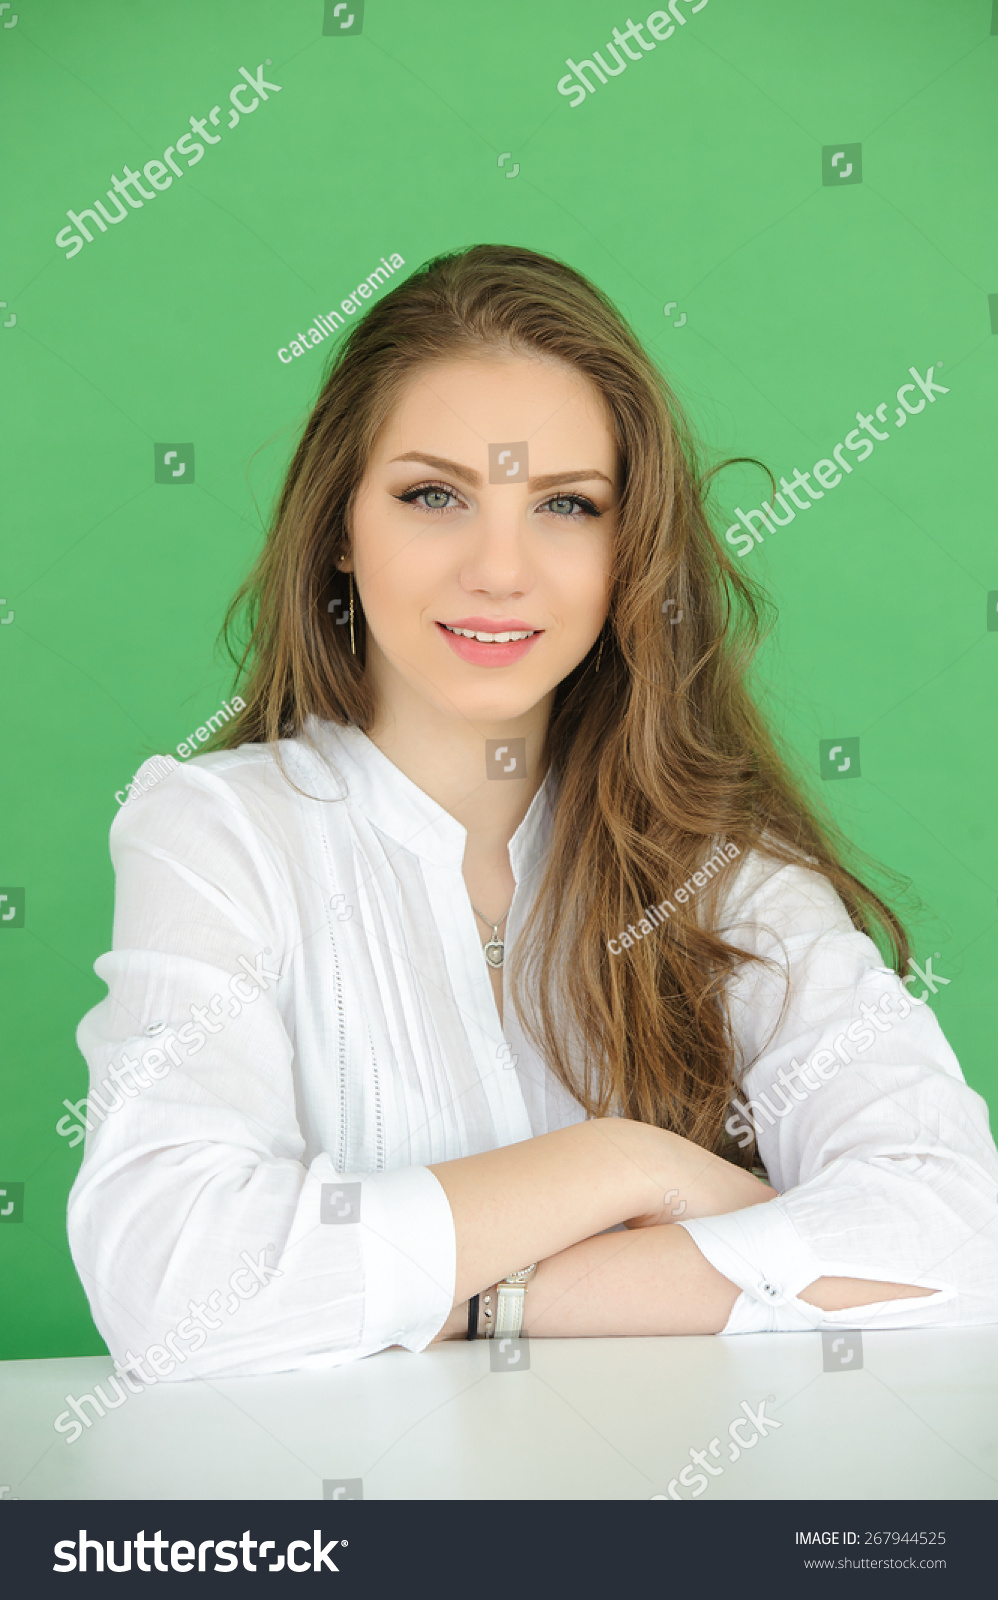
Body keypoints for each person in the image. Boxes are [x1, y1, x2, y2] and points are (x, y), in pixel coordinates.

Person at [67, 244, 998, 1383]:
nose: (498, 569)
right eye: (432, 495)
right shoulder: (217, 833)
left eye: (564, 504)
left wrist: (484, 1305)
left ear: (627, 554)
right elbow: (174, 1286)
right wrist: (625, 1164)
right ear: (340, 533)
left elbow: (954, 1228)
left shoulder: (720, 865)